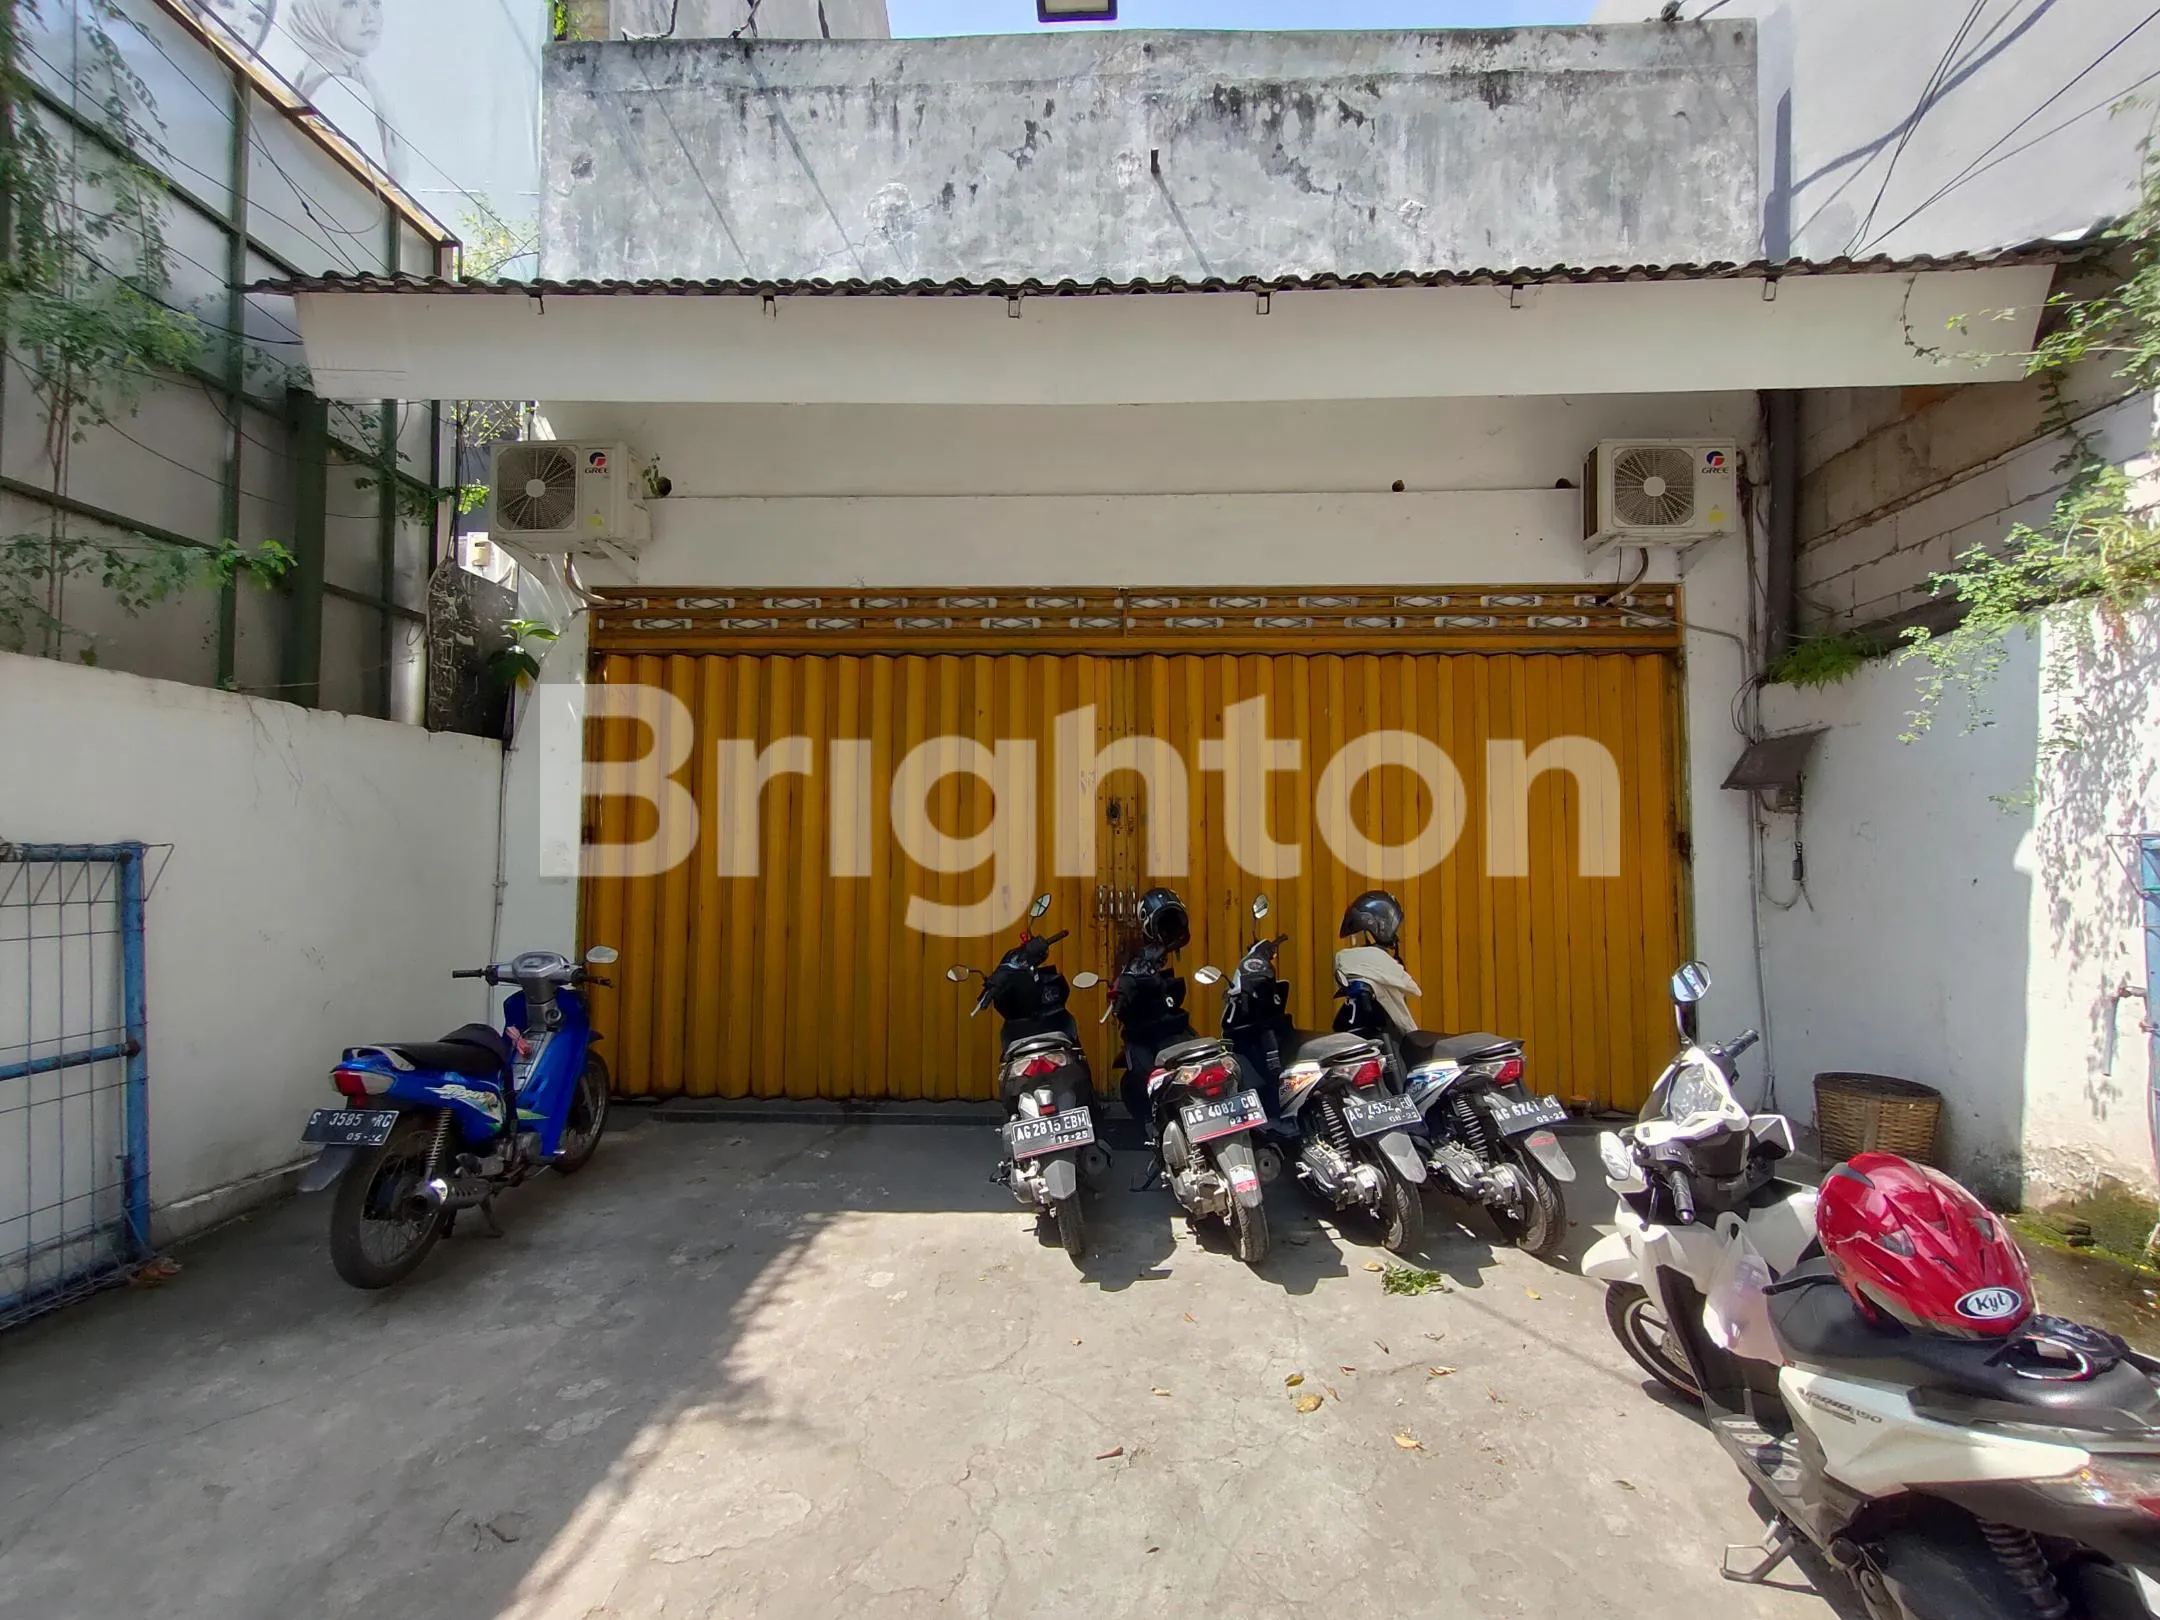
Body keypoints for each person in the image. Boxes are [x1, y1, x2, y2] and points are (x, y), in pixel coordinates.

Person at [286, 0, 405, 182]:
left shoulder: (315, 74)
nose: (369, 16)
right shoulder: (340, 89)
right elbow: (369, 188)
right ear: (319, 13)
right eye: (350, 4)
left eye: (375, 3)